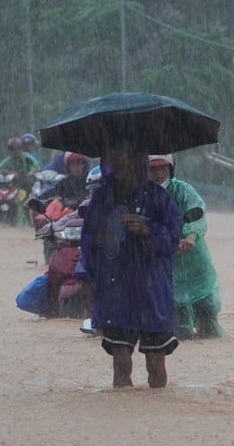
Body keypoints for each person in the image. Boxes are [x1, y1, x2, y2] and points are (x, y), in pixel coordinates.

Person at [79, 141, 181, 388]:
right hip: (115, 287)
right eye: (114, 159)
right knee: (120, 361)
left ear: (138, 161)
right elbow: (88, 241)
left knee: (156, 362)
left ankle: (155, 419)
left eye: (125, 159)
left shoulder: (160, 198)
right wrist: (85, 278)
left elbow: (173, 240)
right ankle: (123, 413)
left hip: (151, 288)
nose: (119, 165)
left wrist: (148, 230)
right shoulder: (103, 198)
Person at [148, 155, 225, 339]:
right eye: (154, 169)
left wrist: (190, 238)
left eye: (163, 168)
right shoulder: (142, 195)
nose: (159, 174)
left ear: (170, 169)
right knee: (178, 328)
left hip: (194, 261)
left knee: (207, 318)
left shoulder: (183, 190)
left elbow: (197, 214)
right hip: (166, 265)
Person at [0, 136, 41, 224]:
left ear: (21, 148)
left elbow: (36, 166)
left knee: (27, 203)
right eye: (12, 149)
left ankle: (29, 223)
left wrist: (30, 173)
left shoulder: (27, 157)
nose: (15, 151)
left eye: (18, 148)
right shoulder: (8, 160)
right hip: (14, 187)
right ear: (9, 150)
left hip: (29, 187)